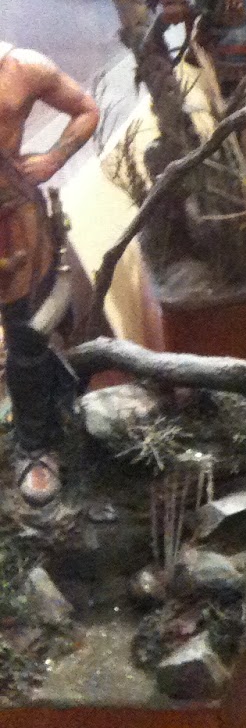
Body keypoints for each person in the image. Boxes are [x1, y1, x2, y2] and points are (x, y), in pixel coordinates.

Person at [0, 43, 99, 505]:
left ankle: (35, 446)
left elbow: (85, 109)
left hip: (10, 223)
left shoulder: (23, 68)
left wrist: (53, 159)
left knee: (26, 336)